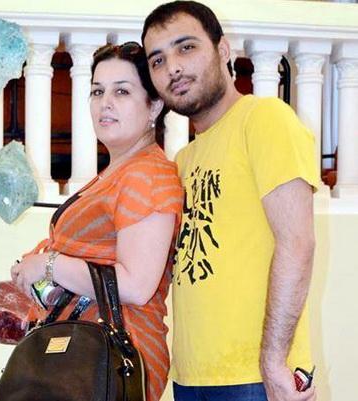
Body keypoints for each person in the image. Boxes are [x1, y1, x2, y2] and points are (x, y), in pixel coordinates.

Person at [141, 2, 318, 401]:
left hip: (256, 376)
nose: (173, 68)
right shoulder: (183, 160)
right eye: (158, 60)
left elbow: (298, 244)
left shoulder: (265, 118)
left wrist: (273, 362)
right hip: (191, 378)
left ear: (222, 50)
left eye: (186, 47)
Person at [9, 41, 183, 401]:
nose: (105, 103)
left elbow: (136, 285)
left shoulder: (148, 174)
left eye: (122, 91)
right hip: (81, 354)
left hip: (110, 359)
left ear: (154, 105)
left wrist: (50, 264)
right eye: (97, 91)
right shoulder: (116, 172)